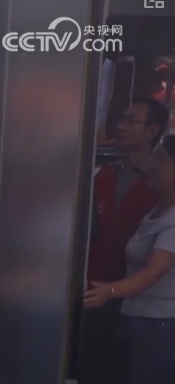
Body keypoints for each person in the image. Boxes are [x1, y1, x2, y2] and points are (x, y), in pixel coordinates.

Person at [79, 98, 168, 383]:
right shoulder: (104, 175)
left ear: (152, 131)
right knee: (93, 366)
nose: (120, 126)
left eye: (131, 120)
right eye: (121, 119)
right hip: (98, 290)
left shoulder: (162, 185)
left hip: (142, 298)